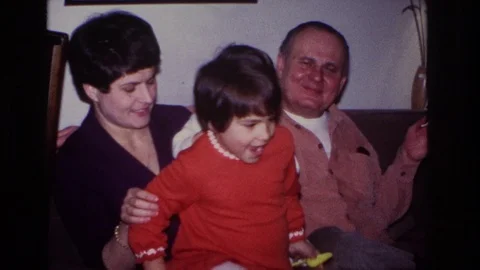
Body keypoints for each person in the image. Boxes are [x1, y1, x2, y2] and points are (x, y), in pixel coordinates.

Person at [120, 21, 427, 269]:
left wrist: (408, 159)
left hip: (365, 250)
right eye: (306, 62)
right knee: (343, 245)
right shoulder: (227, 118)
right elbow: (196, 143)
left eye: (330, 68)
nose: (317, 76)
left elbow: (374, 213)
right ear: (281, 65)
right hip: (308, 247)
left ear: (342, 82)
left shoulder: (345, 133)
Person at [128, 44, 317, 270]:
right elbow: (148, 215)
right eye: (251, 124)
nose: (265, 134)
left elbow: (288, 194)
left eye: (271, 119)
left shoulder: (282, 142)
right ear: (214, 124)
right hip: (211, 263)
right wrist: (153, 262)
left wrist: (295, 237)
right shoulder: (195, 163)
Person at [54, 10, 191, 269]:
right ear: (92, 90)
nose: (148, 97)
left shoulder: (179, 122)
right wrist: (128, 224)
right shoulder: (75, 162)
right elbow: (107, 265)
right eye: (130, 88)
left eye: (150, 81)